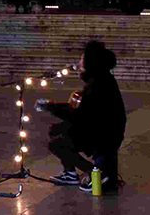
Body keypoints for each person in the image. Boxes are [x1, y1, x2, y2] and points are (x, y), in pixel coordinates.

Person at [41, 40, 127, 190]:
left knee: (55, 143)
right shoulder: (100, 78)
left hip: (104, 135)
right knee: (56, 130)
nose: (79, 63)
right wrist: (53, 107)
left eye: (82, 60)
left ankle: (96, 173)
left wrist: (52, 108)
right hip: (101, 129)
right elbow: (83, 113)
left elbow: (81, 116)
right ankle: (70, 174)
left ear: (91, 62)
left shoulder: (98, 84)